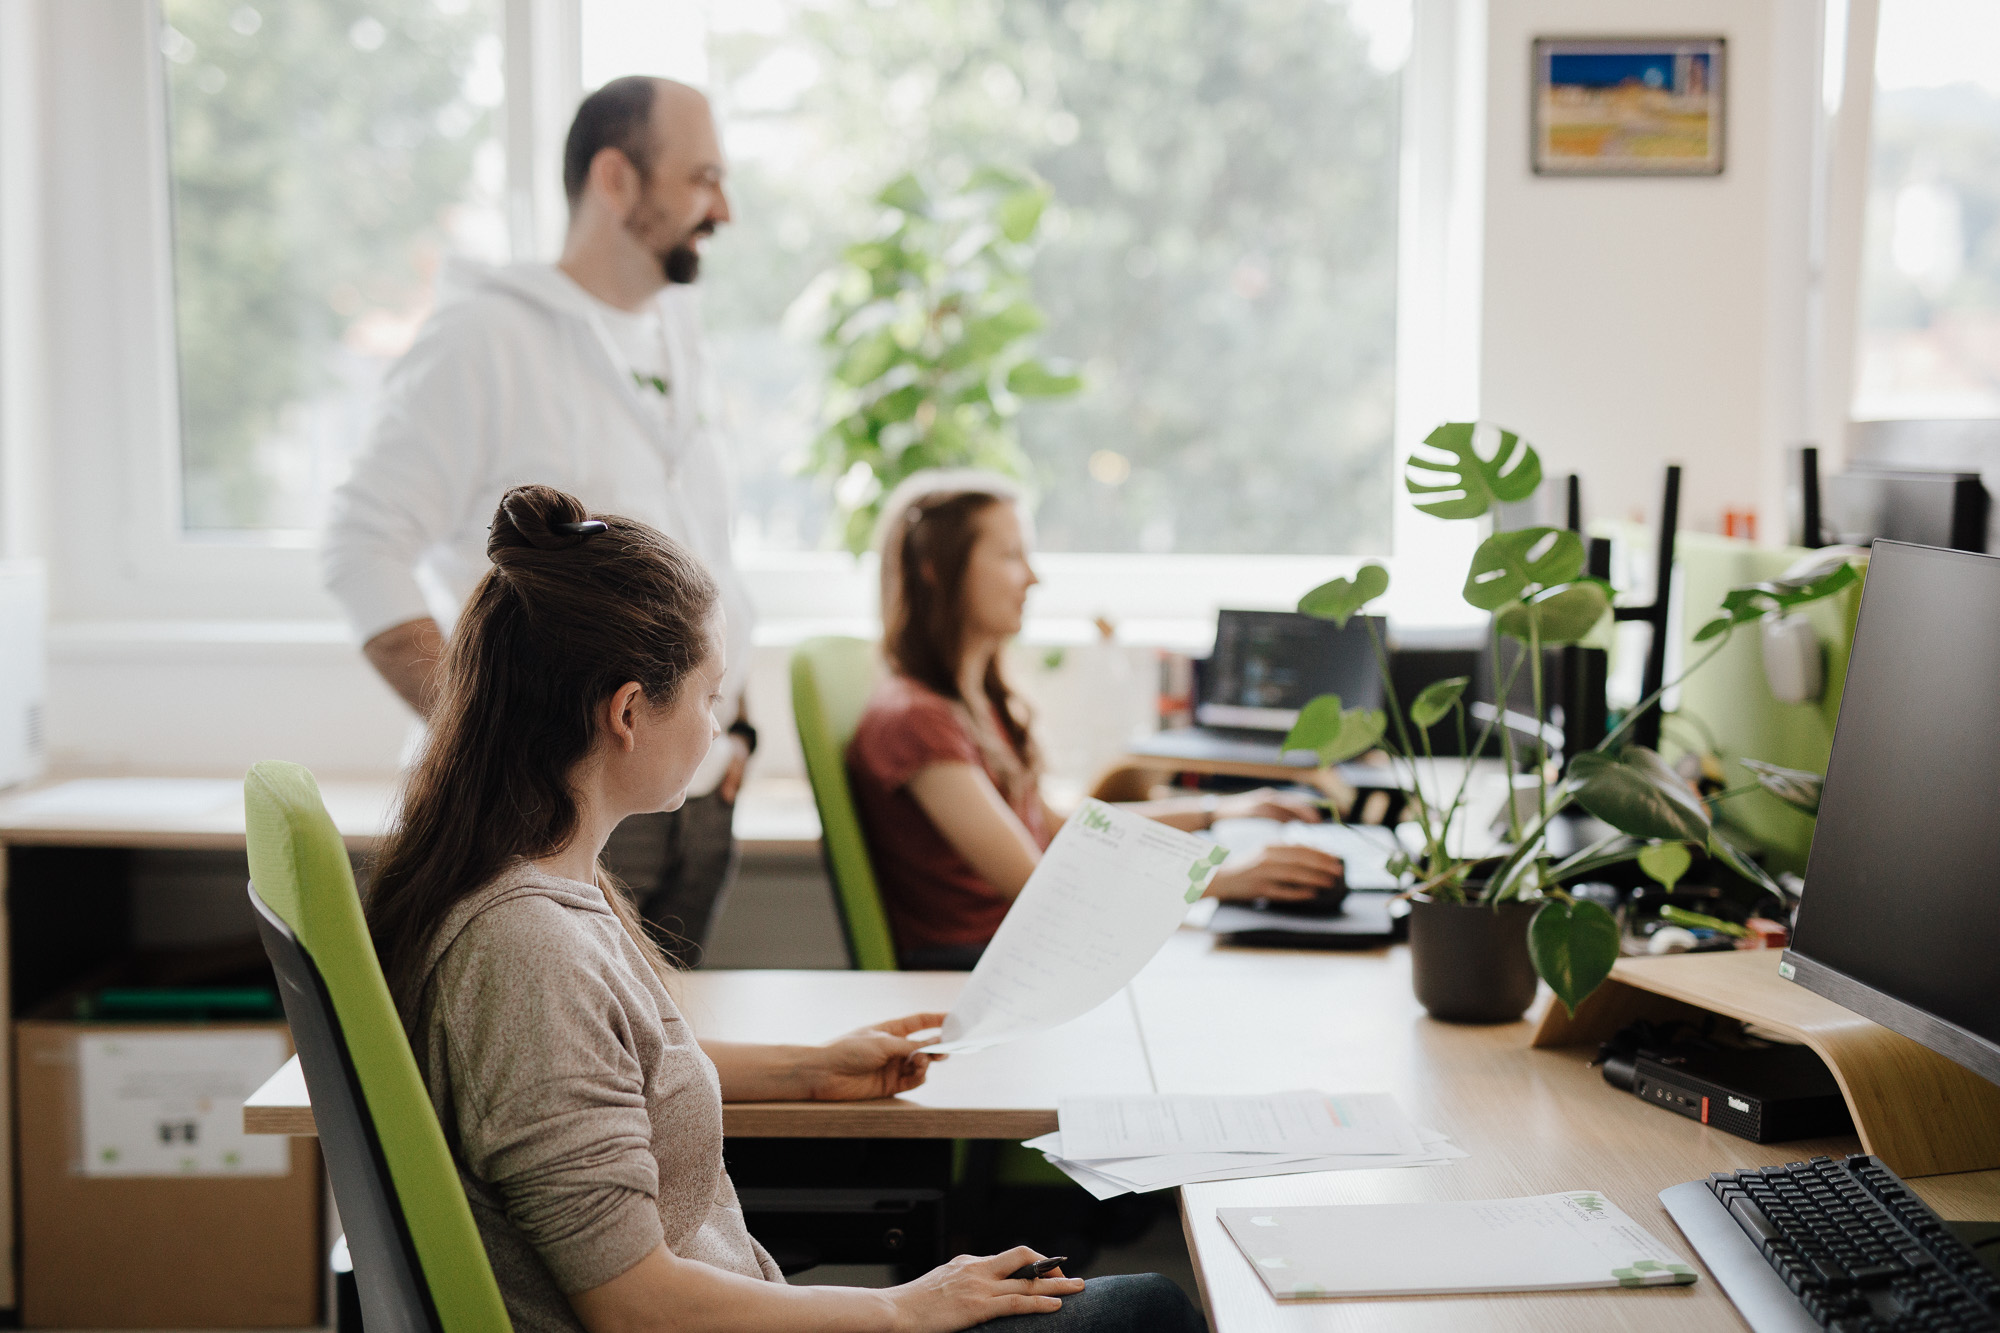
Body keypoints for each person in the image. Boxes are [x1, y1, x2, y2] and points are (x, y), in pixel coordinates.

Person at [364, 485, 1205, 1333]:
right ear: (627, 712)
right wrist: (904, 1305)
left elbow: (620, 1069)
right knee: (1152, 1311)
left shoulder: (544, 890)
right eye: (707, 694)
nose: (715, 721)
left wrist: (811, 1069)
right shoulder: (527, 952)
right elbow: (631, 1306)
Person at [324, 77, 752, 962]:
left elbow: (710, 557)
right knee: (565, 1086)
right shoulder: (484, 339)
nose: (725, 209)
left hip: (694, 796)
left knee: (668, 1083)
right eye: (702, 177)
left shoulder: (680, 338)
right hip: (558, 808)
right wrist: (490, 734)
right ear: (616, 178)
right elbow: (360, 548)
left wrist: (735, 730)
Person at [848, 473, 1346, 970]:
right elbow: (1039, 882)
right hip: (987, 968)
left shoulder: (973, 703)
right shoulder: (914, 720)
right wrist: (1225, 878)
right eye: (1010, 556)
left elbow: (1059, 827)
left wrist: (1218, 811)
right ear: (936, 569)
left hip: (1031, 949)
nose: (1033, 578)